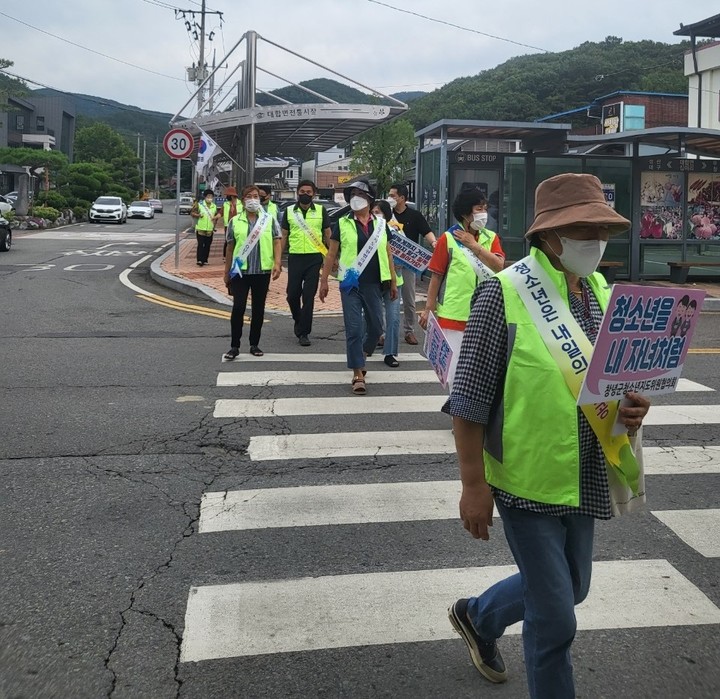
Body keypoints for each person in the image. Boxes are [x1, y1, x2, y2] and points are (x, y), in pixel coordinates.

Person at [443, 173, 651, 699]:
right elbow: (468, 400)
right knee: (556, 618)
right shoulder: (503, 293)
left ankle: (479, 617)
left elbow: (612, 381)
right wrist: (473, 485)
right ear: (549, 236)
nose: (594, 241)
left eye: (599, 229)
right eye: (581, 229)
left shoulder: (602, 293)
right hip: (524, 479)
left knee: (572, 588)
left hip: (585, 469)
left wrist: (633, 407)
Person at [418, 188, 505, 390]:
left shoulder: (491, 238)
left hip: (485, 316)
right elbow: (436, 276)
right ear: (466, 213)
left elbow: (499, 266)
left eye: (485, 208)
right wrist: (429, 307)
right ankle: (457, 420)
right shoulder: (447, 240)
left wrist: (474, 245)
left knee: (480, 375)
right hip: (453, 315)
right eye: (478, 208)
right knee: (454, 375)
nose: (483, 213)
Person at [319, 179, 397, 394]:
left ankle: (361, 354)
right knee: (354, 328)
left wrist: (392, 280)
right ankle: (357, 372)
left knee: (376, 328)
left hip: (374, 283)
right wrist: (324, 280)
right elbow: (331, 254)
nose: (355, 198)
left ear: (370, 200)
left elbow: (388, 253)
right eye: (352, 194)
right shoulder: (343, 224)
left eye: (360, 195)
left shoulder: (381, 225)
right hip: (350, 283)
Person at [222, 185, 282, 360]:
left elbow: (277, 241)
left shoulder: (269, 220)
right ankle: (234, 346)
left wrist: (277, 263)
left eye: (256, 196)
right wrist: (226, 272)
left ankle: (254, 344)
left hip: (261, 271)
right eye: (249, 196)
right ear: (243, 200)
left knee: (258, 309)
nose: (253, 199)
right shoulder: (235, 221)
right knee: (238, 307)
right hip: (240, 272)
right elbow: (230, 247)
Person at [281, 179, 331, 347]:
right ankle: (298, 319)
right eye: (302, 191)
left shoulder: (321, 211)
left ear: (314, 194)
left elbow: (327, 235)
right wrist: (277, 260)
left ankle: (304, 333)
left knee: (308, 297)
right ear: (297, 193)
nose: (305, 195)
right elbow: (284, 236)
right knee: (292, 295)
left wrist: (332, 257)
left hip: (314, 258)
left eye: (309, 192)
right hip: (295, 258)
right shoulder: (288, 211)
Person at [387, 183, 437, 345]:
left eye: (393, 196)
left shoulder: (415, 216)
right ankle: (383, 333)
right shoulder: (386, 215)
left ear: (402, 198)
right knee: (387, 298)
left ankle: (409, 331)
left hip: (408, 265)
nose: (390, 198)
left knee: (409, 299)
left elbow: (426, 232)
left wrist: (435, 244)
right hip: (388, 263)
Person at [371, 199, 402, 367]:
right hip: (373, 281)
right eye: (373, 212)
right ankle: (367, 344)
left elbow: (403, 256)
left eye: (378, 212)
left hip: (393, 280)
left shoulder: (394, 231)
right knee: (371, 317)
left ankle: (390, 353)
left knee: (394, 318)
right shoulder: (366, 230)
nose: (375, 215)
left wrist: (394, 280)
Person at [190, 190, 221, 266]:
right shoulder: (199, 205)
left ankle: (205, 259)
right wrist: (198, 215)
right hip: (200, 228)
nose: (209, 198)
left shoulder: (214, 206)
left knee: (207, 245)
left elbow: (216, 217)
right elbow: (192, 213)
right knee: (201, 244)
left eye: (211, 196)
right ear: (205, 197)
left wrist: (214, 224)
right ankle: (200, 260)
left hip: (210, 229)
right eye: (208, 196)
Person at [221, 186, 239, 261]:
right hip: (228, 226)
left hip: (238, 225)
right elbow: (221, 212)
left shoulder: (240, 204)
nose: (226, 197)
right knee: (228, 240)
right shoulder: (225, 204)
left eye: (227, 195)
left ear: (232, 196)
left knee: (237, 240)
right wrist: (215, 217)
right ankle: (225, 256)